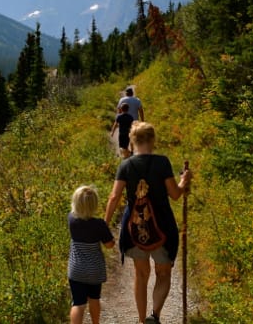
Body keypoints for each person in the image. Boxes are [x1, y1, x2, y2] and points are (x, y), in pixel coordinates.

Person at [104, 122, 192, 324]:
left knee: (141, 274)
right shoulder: (162, 163)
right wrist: (183, 181)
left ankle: (142, 321)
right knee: (163, 272)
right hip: (162, 225)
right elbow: (176, 195)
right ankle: (155, 315)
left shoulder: (125, 166)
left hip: (134, 227)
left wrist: (105, 224)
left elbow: (114, 196)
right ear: (152, 140)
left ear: (132, 141)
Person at [68, 185, 115, 324]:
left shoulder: (71, 219)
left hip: (76, 269)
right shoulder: (99, 224)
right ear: (94, 204)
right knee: (94, 299)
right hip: (94, 270)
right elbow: (109, 244)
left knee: (78, 303)